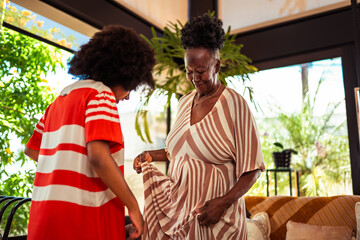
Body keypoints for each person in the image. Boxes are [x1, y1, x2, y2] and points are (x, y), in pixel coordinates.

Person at [133, 13, 265, 239]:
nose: (194, 78)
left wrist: (222, 203)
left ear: (217, 65)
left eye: (201, 70)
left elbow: (253, 169)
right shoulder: (184, 101)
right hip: (180, 218)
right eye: (189, 71)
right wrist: (150, 155)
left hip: (218, 222)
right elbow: (180, 151)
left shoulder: (235, 104)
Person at [24, 24, 155, 240]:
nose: (128, 96)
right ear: (122, 73)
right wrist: (133, 207)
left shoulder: (60, 99)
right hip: (83, 220)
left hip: (45, 219)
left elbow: (33, 150)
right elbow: (99, 157)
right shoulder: (101, 95)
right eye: (130, 86)